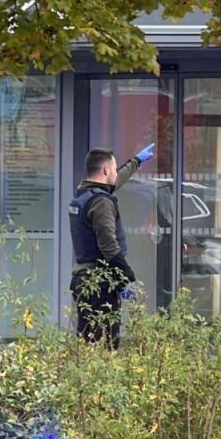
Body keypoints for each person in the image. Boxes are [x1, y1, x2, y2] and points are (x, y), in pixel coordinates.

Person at [69, 144, 155, 349]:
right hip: (99, 284)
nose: (116, 173)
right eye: (114, 169)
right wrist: (128, 278)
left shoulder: (84, 195)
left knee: (88, 340)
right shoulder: (101, 203)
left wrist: (137, 161)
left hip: (84, 279)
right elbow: (108, 247)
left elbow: (116, 181)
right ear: (106, 170)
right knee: (104, 344)